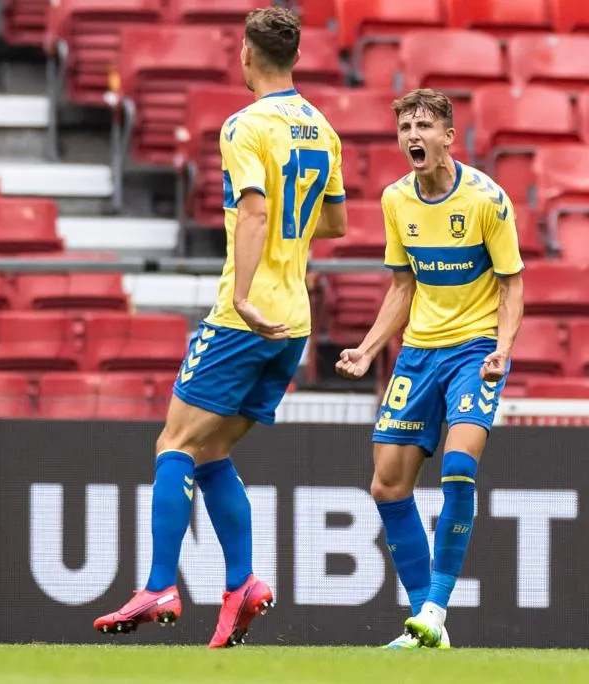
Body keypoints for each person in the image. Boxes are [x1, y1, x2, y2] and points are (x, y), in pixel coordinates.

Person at [93, 6, 347, 648]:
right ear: (294, 58)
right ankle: (242, 584)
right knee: (210, 452)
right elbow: (337, 223)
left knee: (173, 447)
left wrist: (242, 290)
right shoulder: (321, 127)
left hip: (246, 316)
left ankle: (157, 585)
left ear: (246, 55)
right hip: (294, 321)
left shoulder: (245, 125)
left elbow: (256, 212)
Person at [336, 89, 524, 649]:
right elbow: (402, 285)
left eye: (423, 126)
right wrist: (370, 348)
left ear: (448, 136)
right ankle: (425, 623)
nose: (412, 136)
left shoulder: (488, 200)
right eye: (405, 127)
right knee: (387, 485)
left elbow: (512, 284)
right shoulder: (396, 200)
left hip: (474, 351)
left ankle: (437, 606)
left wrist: (503, 347)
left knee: (459, 465)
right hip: (418, 353)